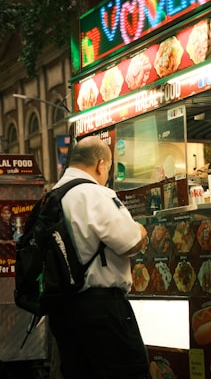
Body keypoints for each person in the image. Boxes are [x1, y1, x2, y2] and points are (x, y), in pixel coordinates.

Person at [48, 136, 149, 379]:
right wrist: (140, 231)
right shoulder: (95, 194)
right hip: (102, 310)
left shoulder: (51, 197)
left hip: (62, 311)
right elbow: (129, 244)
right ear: (100, 164)